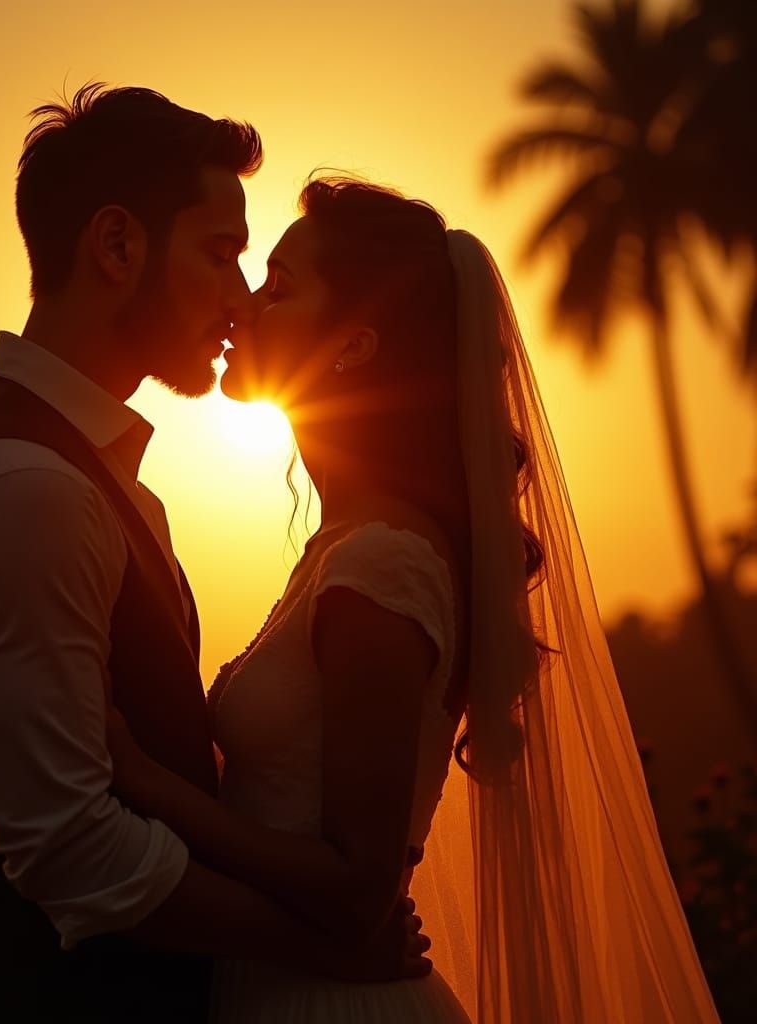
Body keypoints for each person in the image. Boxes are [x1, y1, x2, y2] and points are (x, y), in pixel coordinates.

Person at [105, 177, 723, 1022]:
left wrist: (142, 781)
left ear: (353, 347)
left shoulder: (380, 567)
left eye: (280, 286)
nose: (244, 301)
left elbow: (360, 888)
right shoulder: (348, 547)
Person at [0, 91, 427, 1023]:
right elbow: (69, 851)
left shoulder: (104, 484)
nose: (238, 295)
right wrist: (322, 942)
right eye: (220, 254)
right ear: (117, 247)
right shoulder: (27, 489)